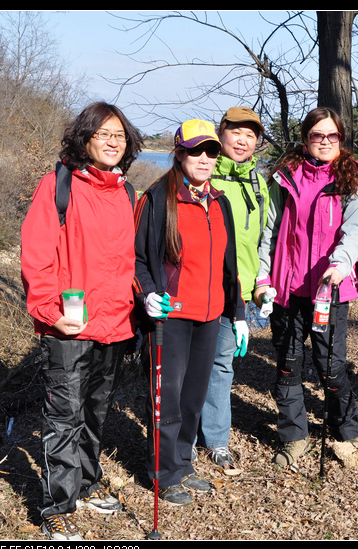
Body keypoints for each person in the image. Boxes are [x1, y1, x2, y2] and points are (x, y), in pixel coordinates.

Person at [20, 101, 143, 540]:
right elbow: (37, 258)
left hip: (115, 325)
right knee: (64, 416)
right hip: (69, 327)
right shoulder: (59, 185)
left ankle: (87, 484)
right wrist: (51, 313)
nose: (113, 142)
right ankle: (57, 504)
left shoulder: (127, 193)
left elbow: (132, 262)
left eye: (120, 136)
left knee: (96, 410)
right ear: (85, 138)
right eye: (104, 134)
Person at [133, 119, 246, 506]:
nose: (204, 158)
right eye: (196, 150)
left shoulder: (220, 201)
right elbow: (136, 260)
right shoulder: (157, 199)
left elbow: (229, 266)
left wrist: (239, 312)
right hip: (171, 316)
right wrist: (148, 294)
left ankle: (183, 463)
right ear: (179, 153)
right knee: (168, 396)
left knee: (194, 398)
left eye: (211, 151)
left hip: (211, 314)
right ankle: (164, 472)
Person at [254, 107, 358, 467]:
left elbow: (356, 231)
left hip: (329, 289)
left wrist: (341, 262)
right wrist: (262, 278)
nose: (324, 141)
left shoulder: (354, 181)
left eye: (332, 136)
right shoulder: (285, 177)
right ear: (305, 139)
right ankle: (293, 436)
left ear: (341, 139)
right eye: (317, 135)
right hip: (287, 289)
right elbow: (268, 233)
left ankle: (346, 434)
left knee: (331, 364)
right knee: (288, 364)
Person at [195, 107, 269, 470]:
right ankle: (185, 437)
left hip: (238, 295)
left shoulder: (258, 183)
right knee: (192, 365)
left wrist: (261, 285)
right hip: (199, 289)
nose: (242, 140)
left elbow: (262, 239)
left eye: (250, 135)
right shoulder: (203, 173)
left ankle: (217, 439)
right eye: (236, 132)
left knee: (222, 366)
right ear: (221, 134)